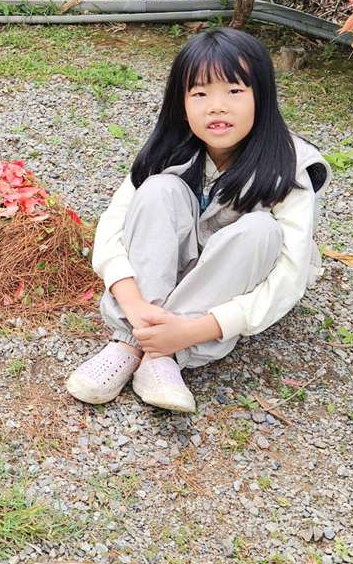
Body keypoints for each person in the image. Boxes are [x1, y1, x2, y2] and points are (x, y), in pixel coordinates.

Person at [66, 26, 330, 412]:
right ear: (182, 102)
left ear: (263, 97)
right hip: (157, 287)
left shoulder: (291, 167)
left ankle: (166, 356)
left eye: (235, 92)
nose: (217, 107)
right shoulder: (169, 148)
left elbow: (289, 275)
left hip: (222, 287)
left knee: (262, 230)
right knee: (158, 190)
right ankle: (132, 340)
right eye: (200, 93)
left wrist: (192, 330)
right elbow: (112, 227)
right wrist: (134, 304)